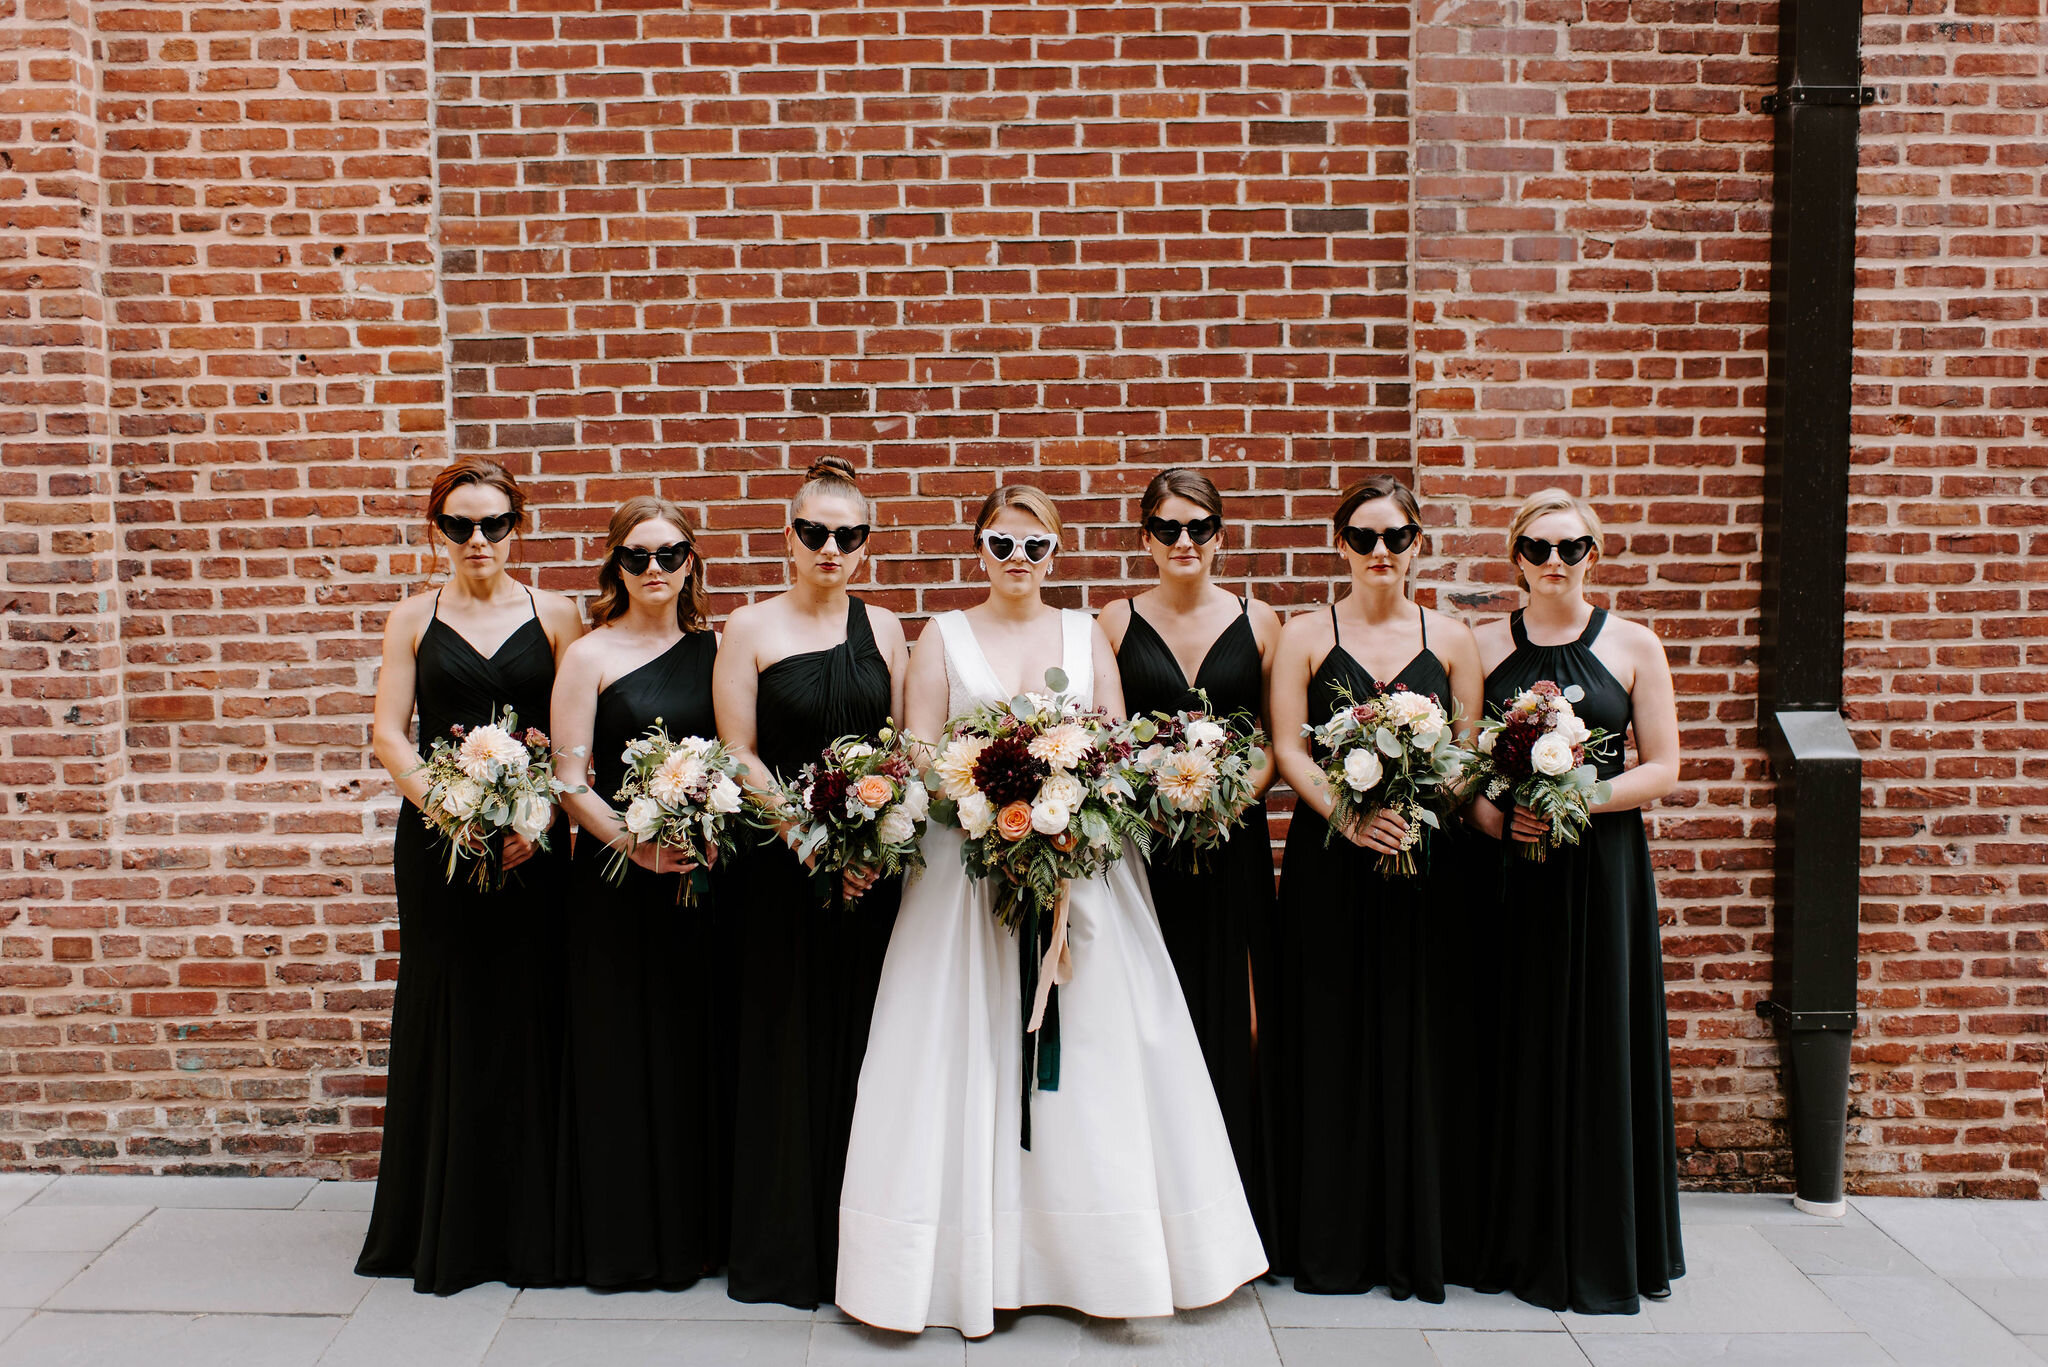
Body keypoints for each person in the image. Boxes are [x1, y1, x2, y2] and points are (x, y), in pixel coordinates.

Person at [835, 483, 1268, 1339]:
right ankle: (959, 1261)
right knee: (960, 1050)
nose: (1018, 562)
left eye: (1035, 547)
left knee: (1099, 1058)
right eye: (1002, 544)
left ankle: (1097, 1257)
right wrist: (980, 798)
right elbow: (919, 752)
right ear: (978, 548)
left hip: (1081, 872)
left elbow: (1111, 743)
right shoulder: (941, 638)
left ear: (1056, 552)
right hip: (964, 882)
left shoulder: (1085, 634)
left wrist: (1070, 796)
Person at [357, 456, 583, 1294]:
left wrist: (540, 817)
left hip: (532, 848)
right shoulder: (412, 617)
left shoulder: (555, 613)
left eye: (492, 523)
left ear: (516, 527)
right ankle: (443, 1222)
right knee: (449, 1008)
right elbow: (389, 733)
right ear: (436, 529)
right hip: (440, 847)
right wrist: (450, 812)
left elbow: (572, 735)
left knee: (533, 1009)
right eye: (458, 524)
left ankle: (531, 1225)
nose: (477, 539)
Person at [1262, 473, 1484, 1302]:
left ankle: (1420, 1237)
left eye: (1396, 537)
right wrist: (1351, 821)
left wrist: (1420, 810)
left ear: (1418, 544)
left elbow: (1464, 755)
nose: (1380, 552)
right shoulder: (1304, 633)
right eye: (1363, 538)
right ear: (1341, 545)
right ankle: (1332, 1240)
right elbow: (1288, 748)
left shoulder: (1454, 638)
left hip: (1428, 867)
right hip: (1331, 864)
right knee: (1333, 1036)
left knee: (1421, 1039)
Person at [1466, 487, 1686, 1314]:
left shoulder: (1634, 644)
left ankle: (1605, 1239)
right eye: (1537, 548)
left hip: (1603, 870)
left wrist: (1575, 798)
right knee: (1513, 1035)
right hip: (1511, 870)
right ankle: (1513, 1237)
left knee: (1600, 1037)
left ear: (1595, 553)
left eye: (1571, 548)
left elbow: (1663, 764)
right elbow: (1465, 763)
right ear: (1514, 557)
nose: (1554, 563)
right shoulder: (1484, 644)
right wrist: (1498, 819)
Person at [712, 456, 910, 1309]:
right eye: (815, 532)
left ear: (865, 543)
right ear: (787, 535)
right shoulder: (748, 629)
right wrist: (809, 835)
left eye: (850, 534)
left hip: (872, 870)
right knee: (786, 1044)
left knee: (871, 1045)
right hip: (781, 867)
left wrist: (874, 837)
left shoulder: (890, 627)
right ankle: (786, 1250)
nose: (831, 547)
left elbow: (904, 744)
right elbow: (739, 751)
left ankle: (867, 1250)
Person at [549, 496, 727, 1289]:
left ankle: (696, 1236)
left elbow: (736, 757)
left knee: (696, 1050)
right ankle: (621, 1241)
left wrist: (705, 823)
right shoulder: (588, 656)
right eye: (637, 555)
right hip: (617, 886)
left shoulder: (717, 650)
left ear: (692, 560)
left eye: (670, 553)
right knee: (621, 1050)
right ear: (614, 564)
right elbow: (568, 780)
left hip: (702, 880)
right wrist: (633, 841)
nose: (654, 569)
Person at [1098, 468, 1281, 1220]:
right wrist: (1156, 797)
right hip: (1148, 847)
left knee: (1236, 1012)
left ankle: (1236, 1204)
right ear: (1145, 537)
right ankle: (1156, 1204)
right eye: (1168, 527)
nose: (1184, 541)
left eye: (1199, 527)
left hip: (1229, 839)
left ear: (1220, 537)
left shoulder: (1261, 621)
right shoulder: (1112, 622)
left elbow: (1273, 737)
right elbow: (1107, 740)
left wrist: (1231, 793)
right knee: (1146, 1012)